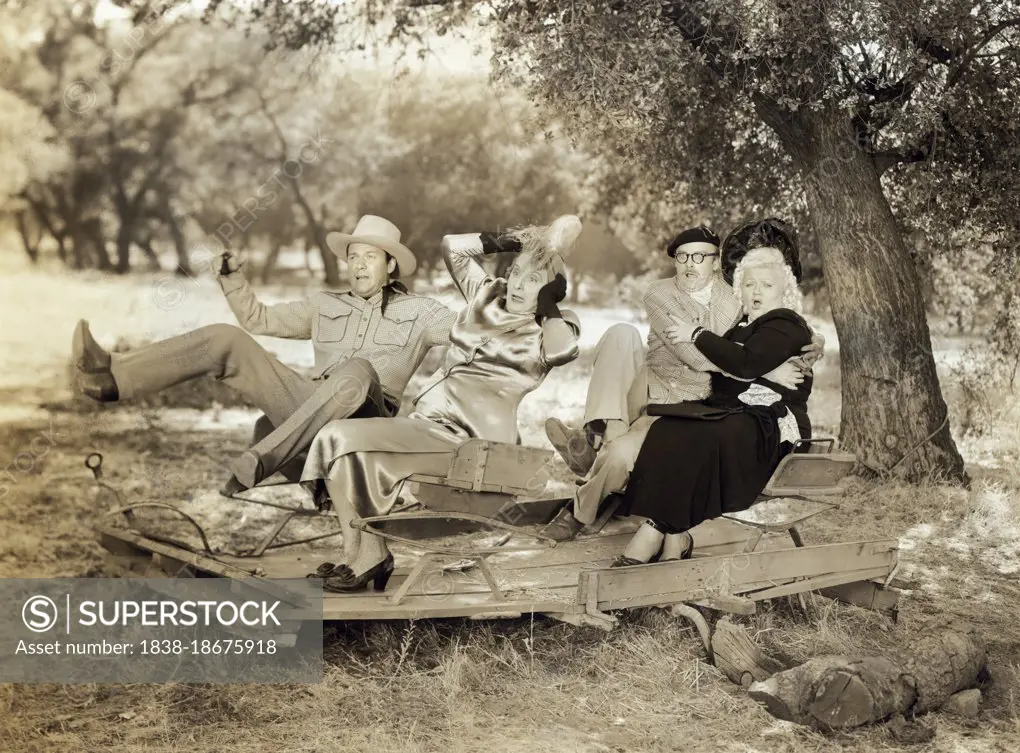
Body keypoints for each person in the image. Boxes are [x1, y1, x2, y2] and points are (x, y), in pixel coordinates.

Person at [299, 215, 584, 593]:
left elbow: (564, 351)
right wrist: (520, 241)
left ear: (551, 290)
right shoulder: (487, 295)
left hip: (471, 441)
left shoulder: (554, 325)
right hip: (428, 424)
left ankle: (368, 558)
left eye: (533, 281)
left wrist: (547, 304)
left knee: (341, 439)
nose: (517, 284)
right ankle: (359, 556)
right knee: (339, 443)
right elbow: (453, 246)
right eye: (516, 273)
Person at [71, 215, 457, 491]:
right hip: (312, 405)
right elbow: (257, 319)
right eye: (353, 257)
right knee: (226, 337)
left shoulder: (421, 312)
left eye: (369, 257)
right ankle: (112, 375)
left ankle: (261, 461)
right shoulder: (324, 304)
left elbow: (475, 330)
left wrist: (500, 287)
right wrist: (231, 278)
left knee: (357, 370)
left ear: (390, 265)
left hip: (371, 419)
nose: (357, 265)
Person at [542, 223, 819, 539]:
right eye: (684, 257)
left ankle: (594, 476)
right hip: (655, 387)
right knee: (622, 335)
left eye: (699, 257)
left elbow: (779, 331)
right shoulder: (663, 293)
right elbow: (700, 355)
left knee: (622, 454)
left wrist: (812, 342)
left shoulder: (745, 302)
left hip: (695, 407)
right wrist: (761, 369)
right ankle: (600, 440)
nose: (690, 264)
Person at [613, 220, 813, 566]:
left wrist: (698, 334)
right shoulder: (742, 327)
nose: (756, 291)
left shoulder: (785, 323)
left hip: (771, 426)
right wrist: (752, 367)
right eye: (749, 284)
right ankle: (675, 540)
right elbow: (730, 373)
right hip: (737, 414)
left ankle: (652, 533)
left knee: (708, 437)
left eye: (766, 284)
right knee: (669, 430)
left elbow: (743, 365)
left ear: (785, 290)